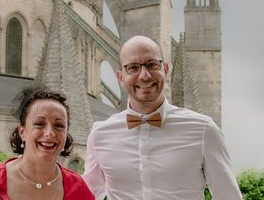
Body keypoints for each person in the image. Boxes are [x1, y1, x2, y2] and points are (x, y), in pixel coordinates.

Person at [83, 35, 243, 200]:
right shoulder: (100, 134)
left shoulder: (204, 130)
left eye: (152, 65)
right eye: (132, 67)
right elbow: (84, 193)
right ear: (120, 77)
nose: (144, 75)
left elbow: (229, 196)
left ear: (165, 69)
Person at [0, 87, 94, 200]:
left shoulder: (79, 189)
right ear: (22, 131)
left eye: (59, 125)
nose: (49, 133)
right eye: (39, 124)